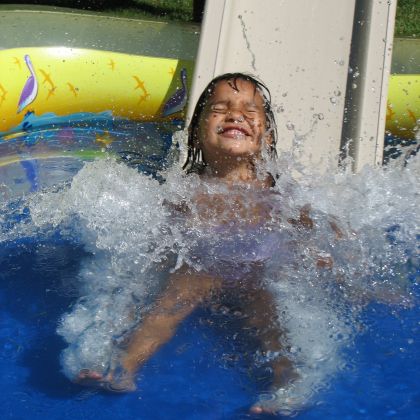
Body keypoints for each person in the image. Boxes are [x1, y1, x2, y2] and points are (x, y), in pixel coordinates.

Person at [75, 73, 325, 414]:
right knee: (176, 293)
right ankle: (125, 365)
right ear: (196, 132)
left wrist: (321, 254)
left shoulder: (278, 192)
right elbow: (160, 238)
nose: (235, 115)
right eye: (220, 109)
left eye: (250, 111)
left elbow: (310, 229)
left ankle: (288, 380)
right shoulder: (186, 190)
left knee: (268, 309)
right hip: (199, 271)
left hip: (258, 272)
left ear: (266, 136)